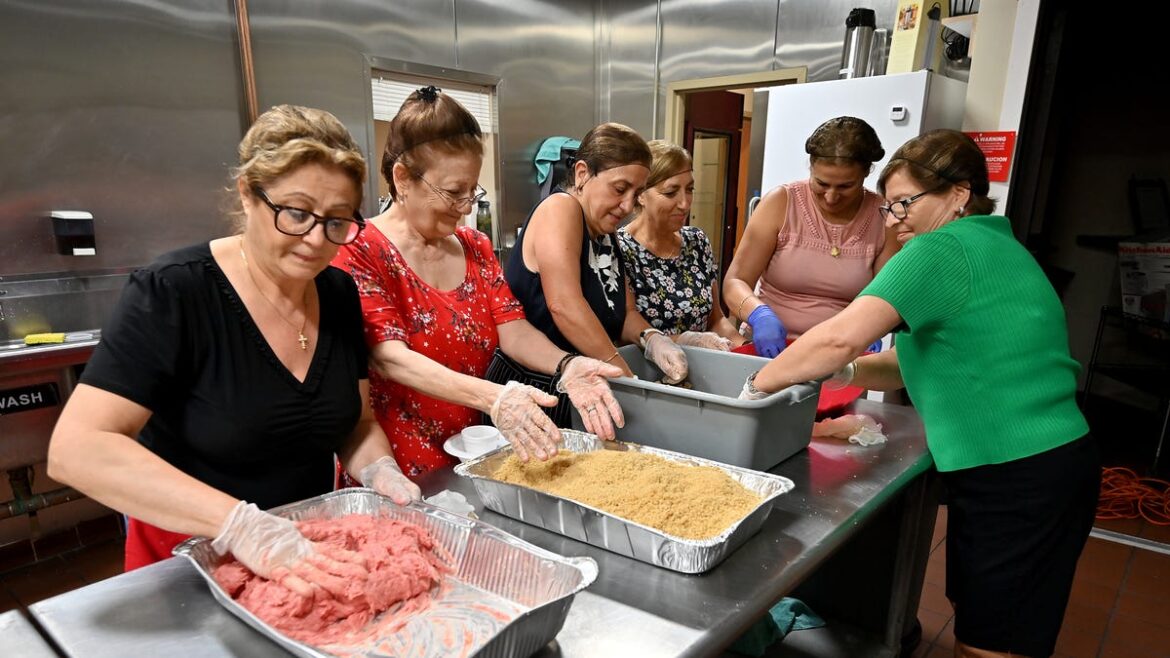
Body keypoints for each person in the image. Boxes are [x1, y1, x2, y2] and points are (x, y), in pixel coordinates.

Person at [741, 129, 1099, 658]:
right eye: (888, 208)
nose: (894, 220)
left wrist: (753, 390)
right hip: (1048, 466)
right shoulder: (996, 244)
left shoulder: (940, 248)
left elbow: (840, 334)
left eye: (905, 203)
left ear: (958, 194)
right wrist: (843, 374)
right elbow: (911, 364)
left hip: (1017, 472)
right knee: (995, 625)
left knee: (990, 645)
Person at [46, 105, 421, 589]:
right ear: (248, 194)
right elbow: (78, 449)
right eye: (296, 213)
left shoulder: (337, 292)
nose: (314, 240)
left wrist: (379, 470)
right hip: (185, 568)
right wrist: (239, 524)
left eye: (336, 222)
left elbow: (358, 422)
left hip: (302, 561)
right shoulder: (173, 292)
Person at [331, 87, 624, 481]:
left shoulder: (474, 246)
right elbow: (389, 357)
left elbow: (514, 331)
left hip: (476, 451)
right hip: (394, 464)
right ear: (402, 178)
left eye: (473, 190)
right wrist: (496, 397)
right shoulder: (361, 249)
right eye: (453, 192)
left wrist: (567, 366)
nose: (468, 205)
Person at [504, 122, 689, 402]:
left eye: (636, 193)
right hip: (541, 387)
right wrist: (626, 377)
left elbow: (625, 312)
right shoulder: (561, 209)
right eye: (619, 188)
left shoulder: (605, 231)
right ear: (582, 173)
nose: (628, 206)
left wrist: (652, 339)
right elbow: (564, 305)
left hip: (585, 386)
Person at [724, 116, 898, 358]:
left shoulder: (884, 218)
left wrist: (872, 326)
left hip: (838, 355)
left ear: (867, 173)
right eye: (822, 183)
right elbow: (735, 281)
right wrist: (758, 314)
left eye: (846, 186)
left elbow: (884, 295)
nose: (831, 197)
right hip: (771, 350)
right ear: (810, 168)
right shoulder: (780, 203)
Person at [617, 140, 745, 350]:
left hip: (703, 371)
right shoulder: (620, 249)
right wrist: (683, 342)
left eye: (690, 189)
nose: (685, 203)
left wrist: (745, 348)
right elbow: (622, 334)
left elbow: (716, 320)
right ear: (640, 194)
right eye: (670, 193)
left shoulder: (697, 242)